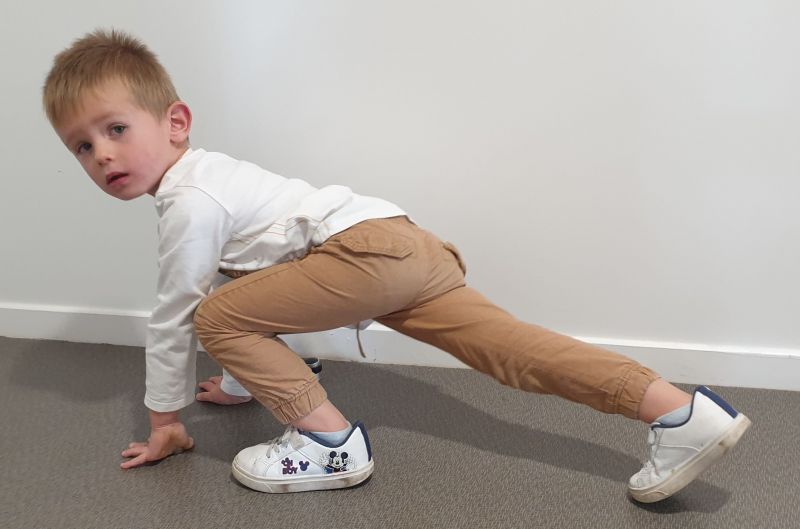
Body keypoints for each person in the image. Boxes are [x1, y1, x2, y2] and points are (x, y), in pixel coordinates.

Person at [42, 29, 750, 502]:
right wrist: (238, 378)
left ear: (175, 123)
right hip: (401, 242)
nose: (102, 155)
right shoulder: (215, 177)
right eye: (81, 146)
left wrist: (165, 417)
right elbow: (267, 275)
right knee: (513, 349)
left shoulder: (190, 201)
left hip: (363, 257)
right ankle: (679, 412)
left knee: (213, 313)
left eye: (116, 129)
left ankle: (328, 442)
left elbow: (179, 311)